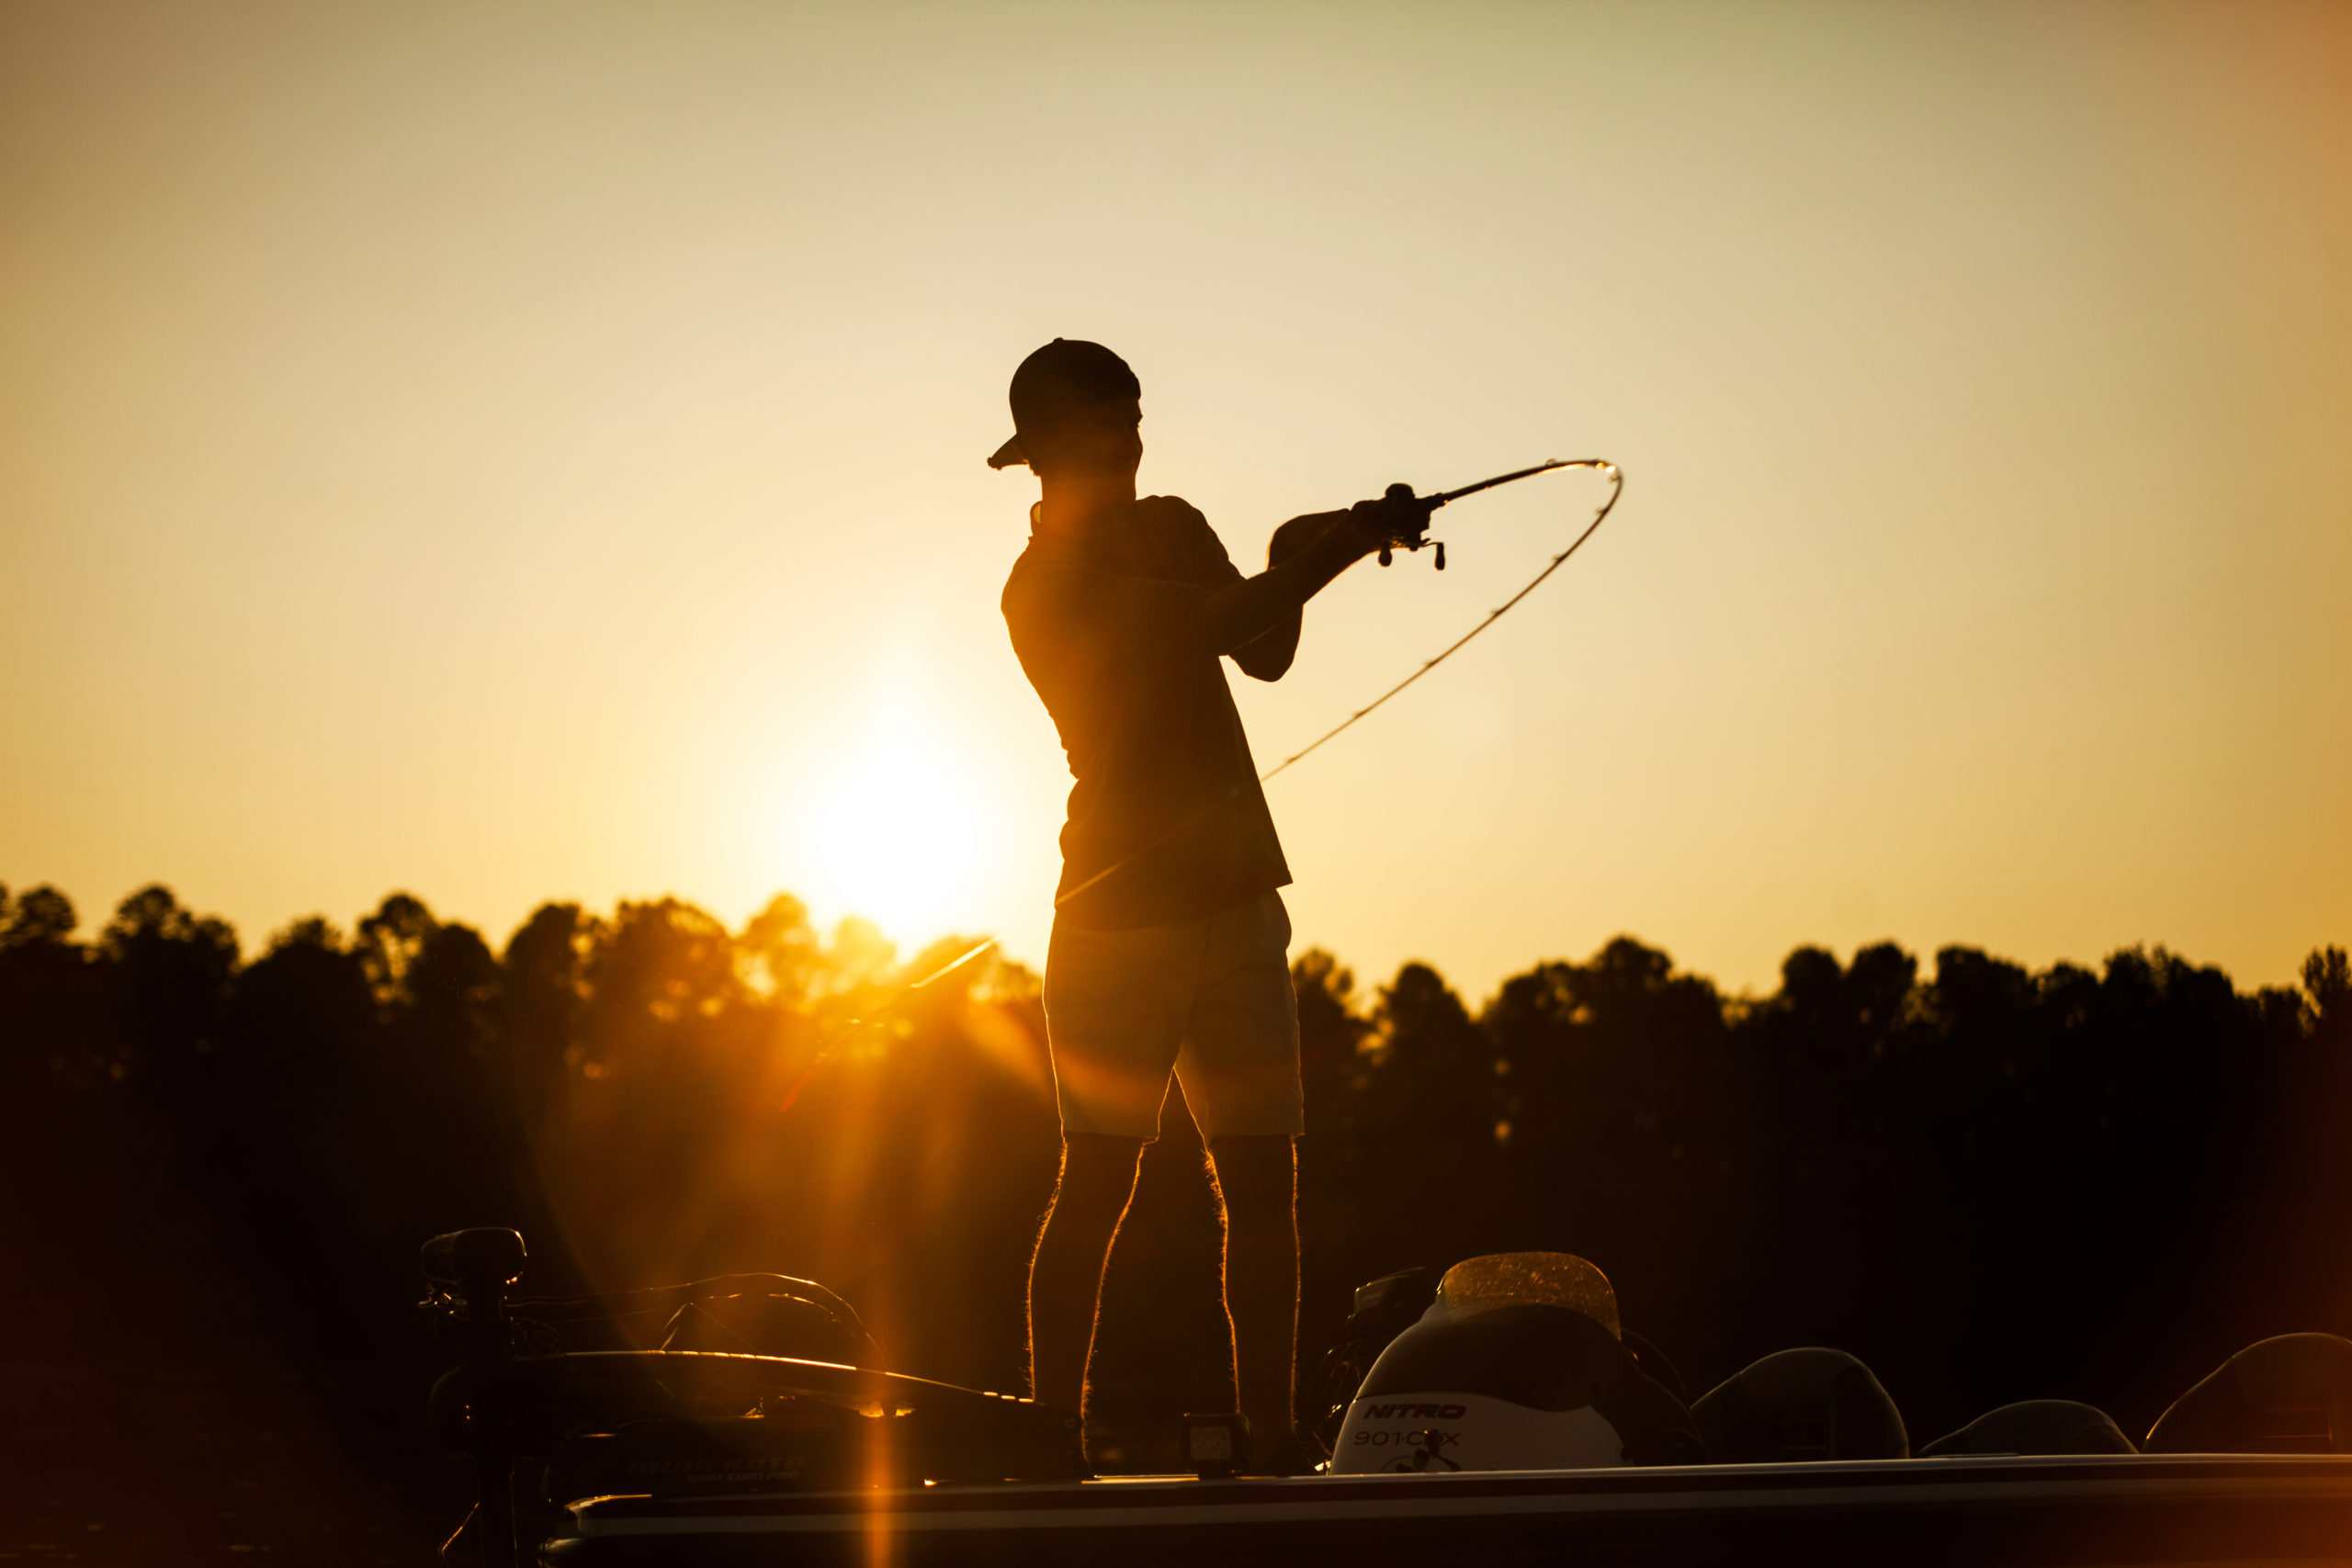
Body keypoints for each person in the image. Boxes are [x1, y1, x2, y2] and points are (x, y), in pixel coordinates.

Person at [993, 338, 1409, 1474]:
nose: (1128, 435)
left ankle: (1272, 1439)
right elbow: (1215, 625)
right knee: (1097, 1182)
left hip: (1238, 905)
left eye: (1132, 411)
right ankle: (1048, 1433)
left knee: (1264, 1187)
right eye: (1100, 422)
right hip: (1114, 922)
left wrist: (1300, 549)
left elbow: (1262, 645)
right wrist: (1336, 545)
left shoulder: (1174, 524)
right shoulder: (1043, 588)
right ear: (1042, 453)